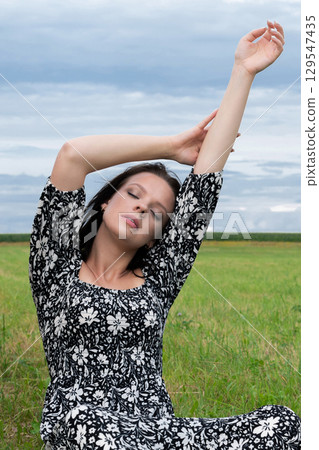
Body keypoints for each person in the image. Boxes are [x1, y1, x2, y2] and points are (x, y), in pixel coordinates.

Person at [29, 21, 301, 449]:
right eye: (133, 194)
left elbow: (207, 176)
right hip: (81, 430)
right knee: (87, 422)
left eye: (157, 211)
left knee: (281, 423)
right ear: (104, 202)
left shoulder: (159, 277)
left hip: (157, 432)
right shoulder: (56, 266)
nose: (141, 207)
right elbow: (72, 157)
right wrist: (170, 147)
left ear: (159, 234)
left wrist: (243, 71)